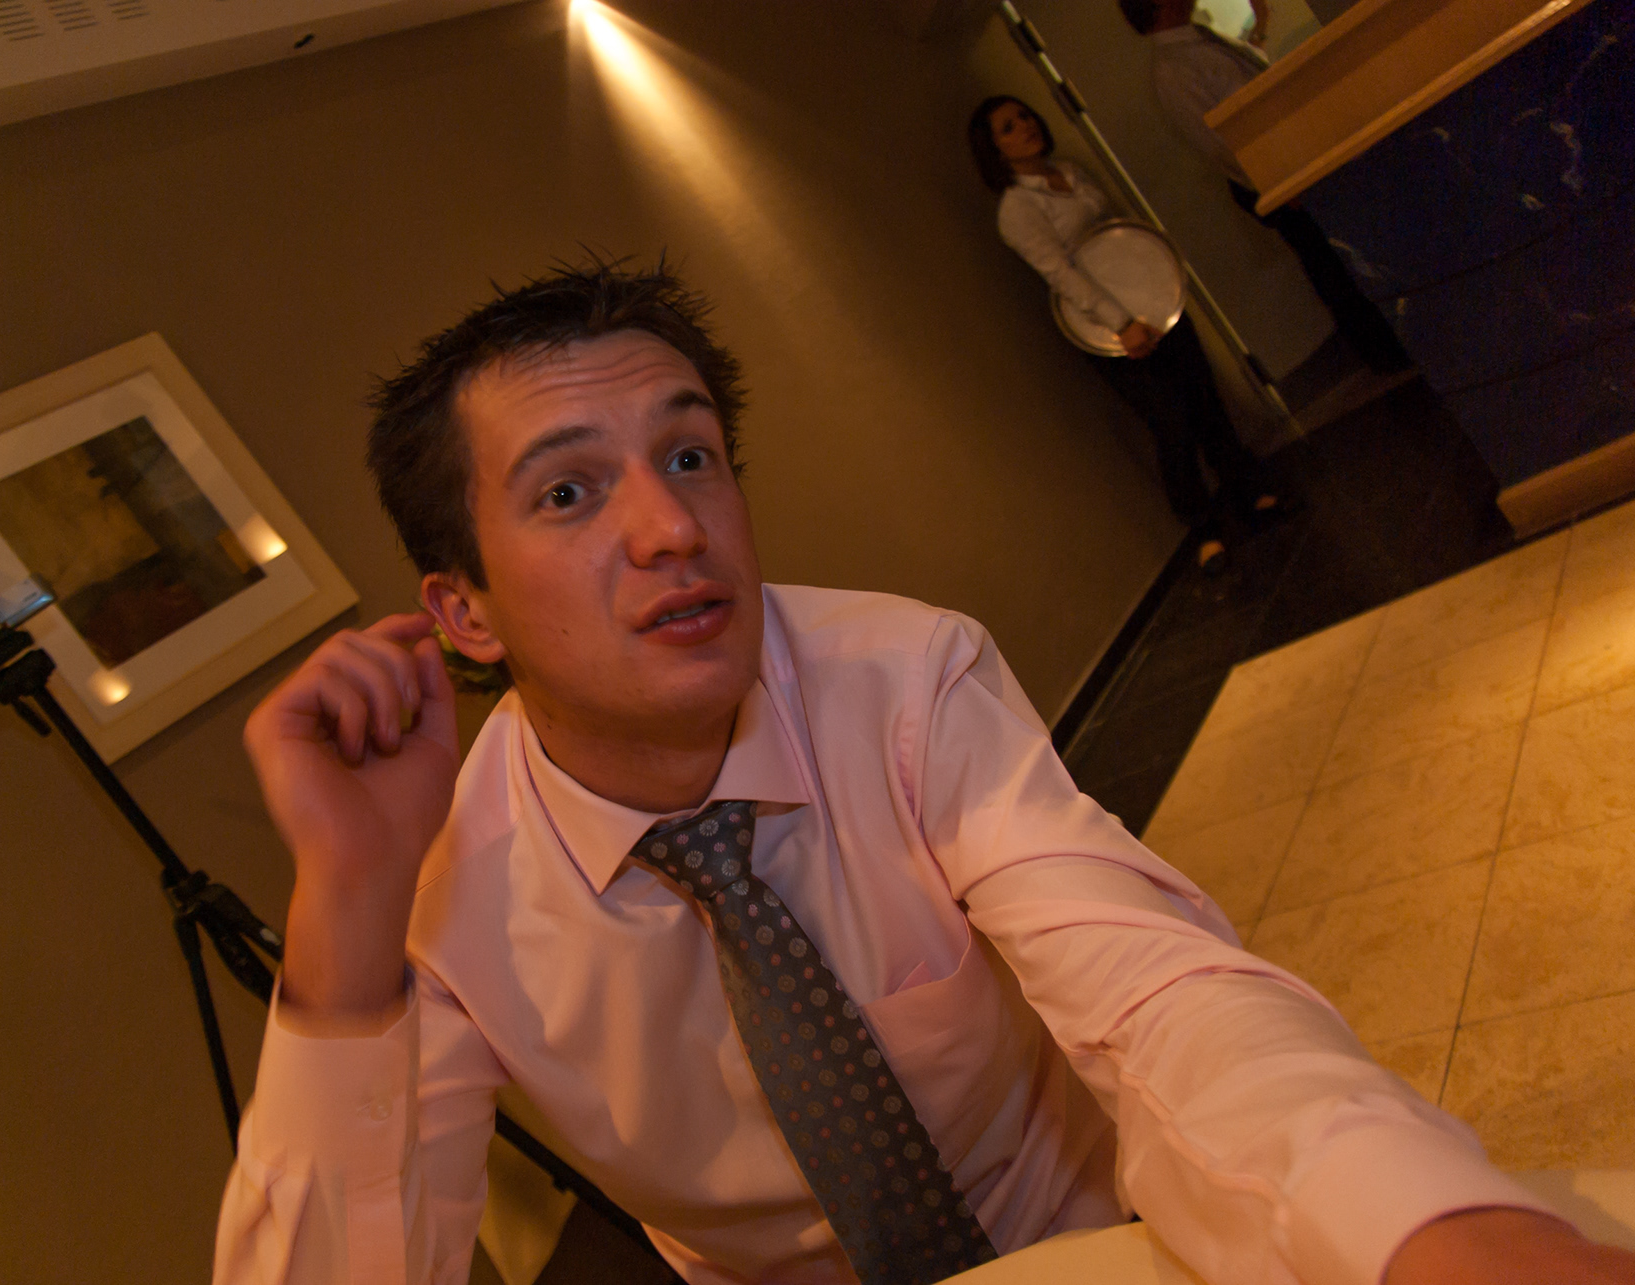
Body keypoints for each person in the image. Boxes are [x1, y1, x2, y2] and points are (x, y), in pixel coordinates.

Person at [213, 260, 1635, 1285]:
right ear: (463, 611)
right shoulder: (436, 886)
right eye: (570, 490)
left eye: (691, 455)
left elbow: (1158, 992)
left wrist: (1430, 1233)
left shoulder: (906, 679)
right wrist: (347, 914)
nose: (671, 528)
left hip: (1092, 1242)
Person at [968, 95, 1282, 575]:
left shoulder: (1070, 172)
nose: (1024, 126)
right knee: (1171, 424)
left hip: (1153, 303)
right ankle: (1204, 530)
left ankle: (1246, 489)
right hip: (1103, 328)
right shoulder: (1016, 207)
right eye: (1008, 127)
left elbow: (1116, 238)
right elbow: (1060, 274)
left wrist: (1154, 293)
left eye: (1025, 116)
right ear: (994, 151)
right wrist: (1121, 323)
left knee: (1204, 399)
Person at [1118, 0, 1414, 374]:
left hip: (1292, 166)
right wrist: (1276, 182)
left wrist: (1260, 28)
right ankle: (1385, 352)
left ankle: (1397, 340)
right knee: (1332, 263)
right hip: (1277, 178)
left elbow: (1246, 84)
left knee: (1344, 253)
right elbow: (1219, 143)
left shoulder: (1194, 43)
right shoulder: (1172, 69)